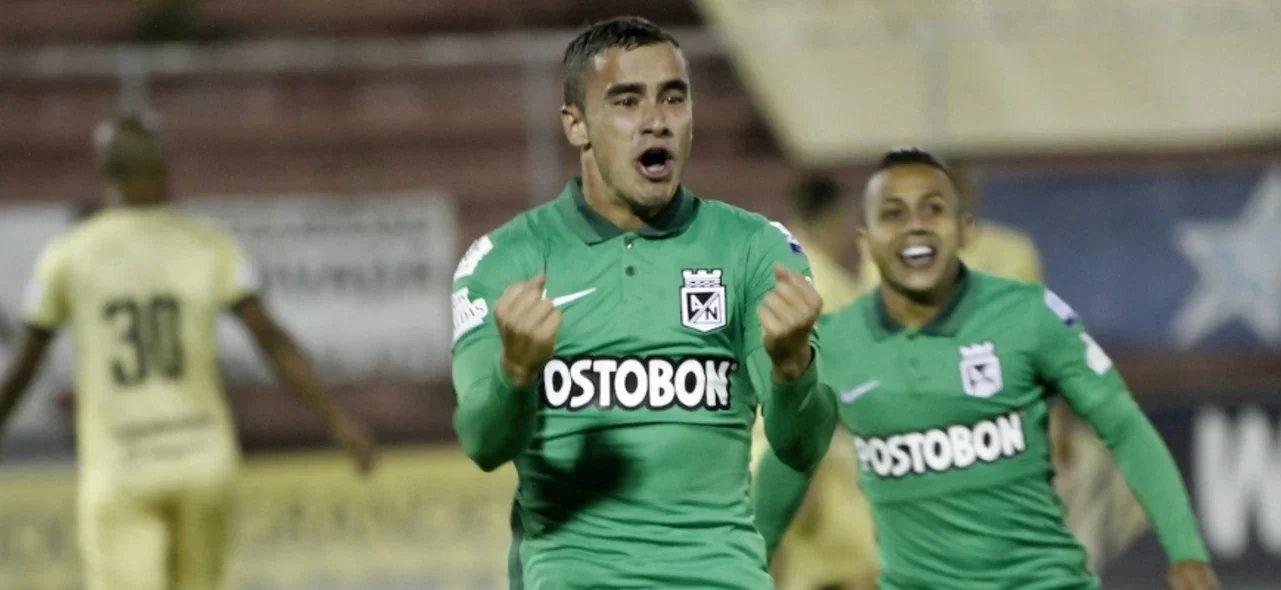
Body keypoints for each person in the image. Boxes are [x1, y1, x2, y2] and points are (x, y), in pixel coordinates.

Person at [449, 16, 837, 589]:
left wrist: (790, 368)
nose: (655, 121)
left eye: (673, 98)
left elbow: (802, 446)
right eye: (627, 101)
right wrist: (514, 372)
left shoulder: (755, 250)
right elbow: (482, 443)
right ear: (575, 124)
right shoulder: (505, 262)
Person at [754, 147, 1220, 590]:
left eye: (932, 210)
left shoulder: (1029, 315)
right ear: (866, 240)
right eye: (893, 214)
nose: (914, 227)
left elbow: (1124, 424)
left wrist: (1185, 549)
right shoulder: (838, 345)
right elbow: (790, 463)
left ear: (966, 229)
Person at [0, 112, 376, 590]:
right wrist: (339, 422)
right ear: (165, 166)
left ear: (101, 171)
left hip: (120, 467)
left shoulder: (68, 255)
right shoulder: (208, 244)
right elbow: (271, 339)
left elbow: (23, 367)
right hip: (203, 460)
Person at [751, 174, 876, 590]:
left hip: (757, 454)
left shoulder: (762, 276)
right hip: (817, 468)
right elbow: (825, 391)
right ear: (835, 219)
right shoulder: (832, 289)